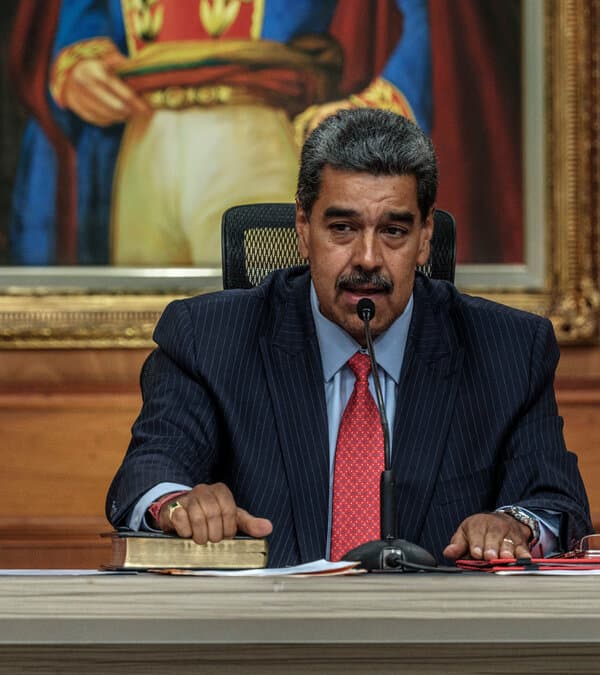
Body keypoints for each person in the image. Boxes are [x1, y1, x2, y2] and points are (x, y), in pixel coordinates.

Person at [106, 108, 591, 567]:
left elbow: (556, 502)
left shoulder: (507, 349)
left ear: (425, 236)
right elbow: (147, 472)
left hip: (441, 643)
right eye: (342, 228)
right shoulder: (209, 340)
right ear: (303, 228)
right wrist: (177, 504)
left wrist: (514, 524)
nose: (367, 258)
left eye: (394, 231)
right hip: (263, 641)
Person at [10, 0, 431, 266]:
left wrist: (374, 107)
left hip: (256, 133)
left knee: (258, 337)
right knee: (144, 333)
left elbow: (435, 24)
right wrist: (78, 61)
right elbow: (81, 20)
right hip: (142, 135)